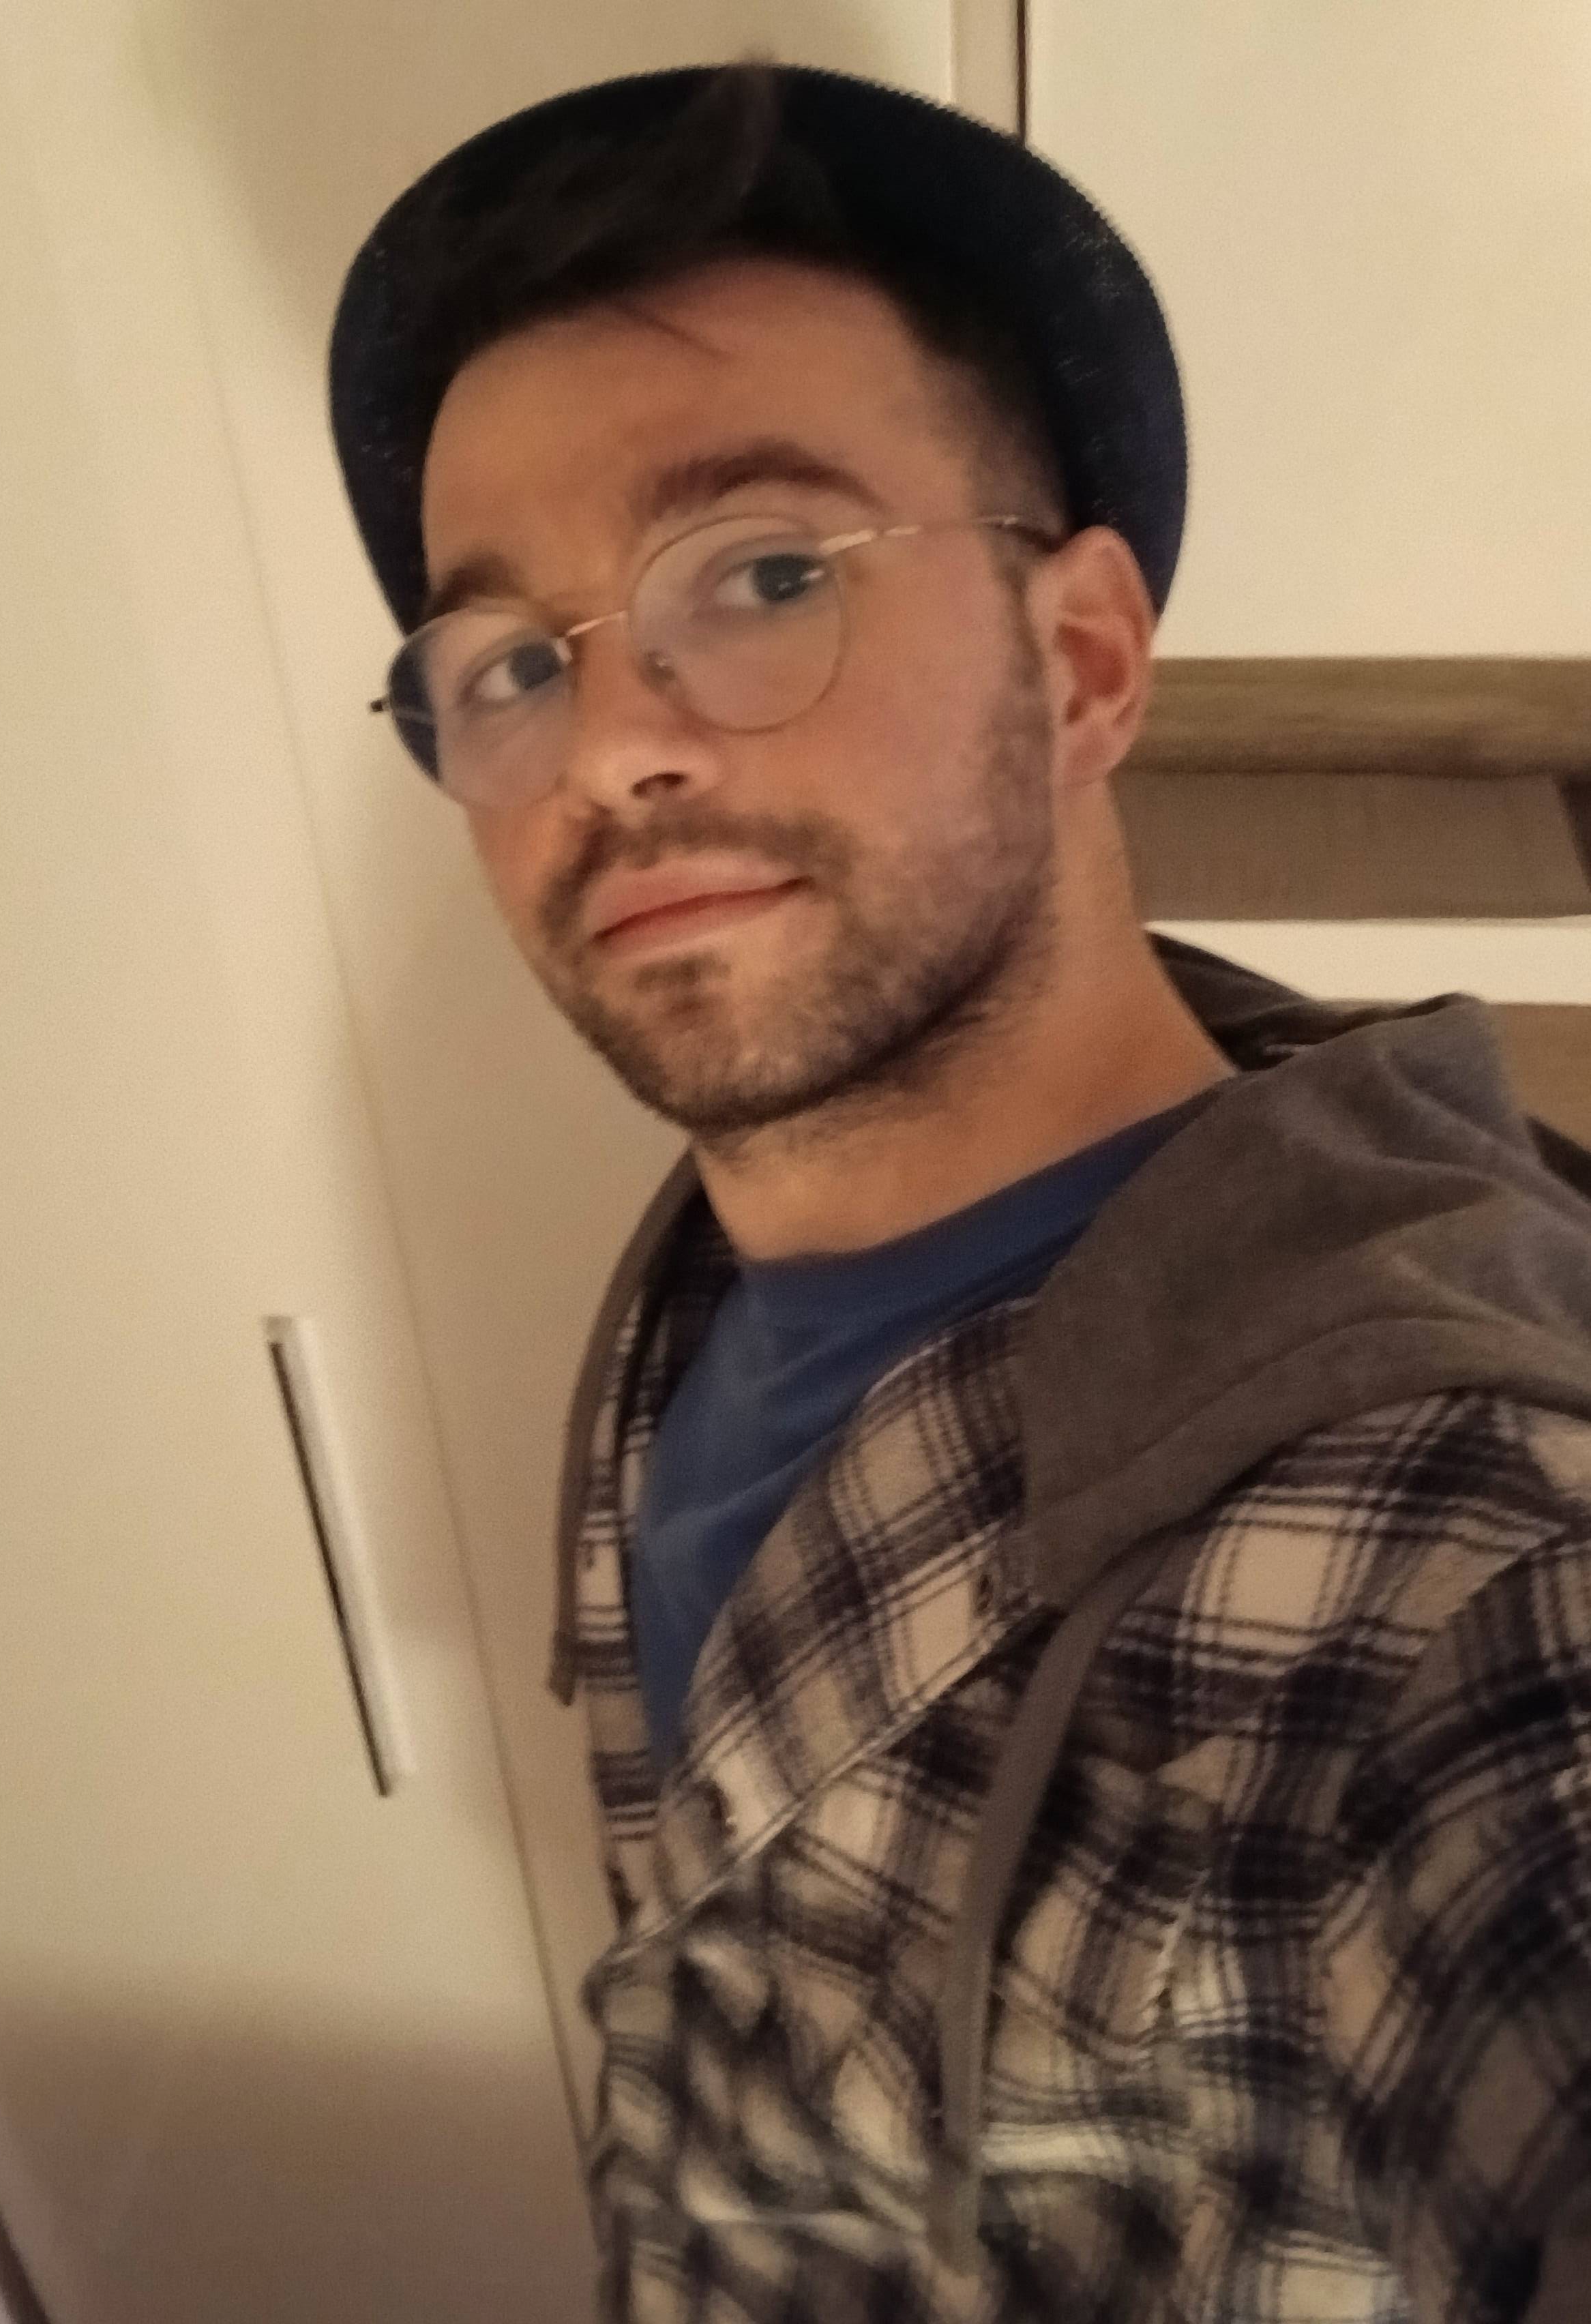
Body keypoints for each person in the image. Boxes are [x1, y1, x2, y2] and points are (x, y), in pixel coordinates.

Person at [329, 59, 1591, 2324]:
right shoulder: (691, 1286)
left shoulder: (1470, 1569)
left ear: (1080, 660)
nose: (607, 748)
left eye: (763, 572)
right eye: (509, 662)